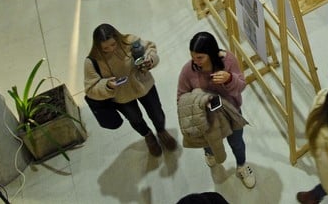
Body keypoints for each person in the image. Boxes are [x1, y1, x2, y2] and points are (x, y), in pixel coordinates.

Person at [84, 24, 177, 157]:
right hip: (121, 97)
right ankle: (148, 135)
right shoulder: (92, 61)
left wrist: (150, 60)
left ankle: (161, 130)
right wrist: (107, 85)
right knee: (135, 119)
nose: (110, 49)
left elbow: (151, 48)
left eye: (113, 44)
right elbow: (90, 88)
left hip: (144, 85)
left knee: (156, 112)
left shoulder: (130, 41)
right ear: (98, 46)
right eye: (105, 48)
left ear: (117, 38)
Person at [177, 32, 255, 188]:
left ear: (212, 53)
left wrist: (230, 79)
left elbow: (242, 86)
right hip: (206, 118)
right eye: (193, 57)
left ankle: (241, 166)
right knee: (208, 143)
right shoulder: (188, 70)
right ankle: (209, 153)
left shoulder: (228, 60)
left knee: (237, 143)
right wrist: (198, 101)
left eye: (200, 57)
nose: (195, 61)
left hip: (231, 113)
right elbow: (181, 97)